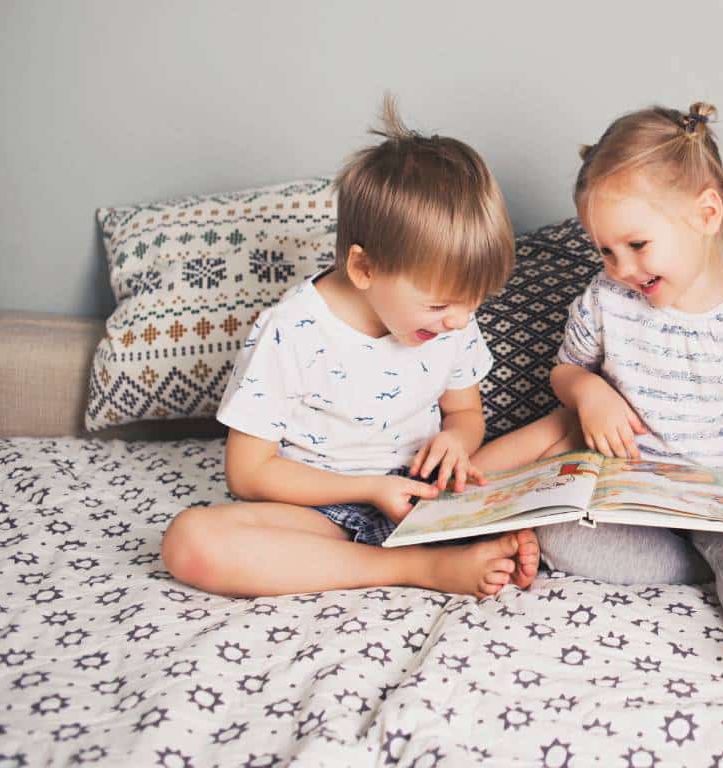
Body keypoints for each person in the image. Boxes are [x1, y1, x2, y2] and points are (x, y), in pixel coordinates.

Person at [472, 102, 723, 686]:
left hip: (720, 499)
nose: (620, 267)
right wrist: (589, 391)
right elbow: (564, 372)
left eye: (637, 245)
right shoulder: (605, 300)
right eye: (605, 251)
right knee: (556, 531)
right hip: (627, 489)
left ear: (706, 213)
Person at [161, 97, 540, 599]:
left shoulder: (451, 318)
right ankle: (419, 568)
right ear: (364, 269)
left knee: (565, 426)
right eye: (441, 306)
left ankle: (478, 531)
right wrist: (370, 490)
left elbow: (465, 412)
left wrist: (458, 441)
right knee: (191, 541)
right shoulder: (291, 330)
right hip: (324, 507)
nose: (460, 320)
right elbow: (248, 474)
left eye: (473, 303)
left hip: (426, 494)